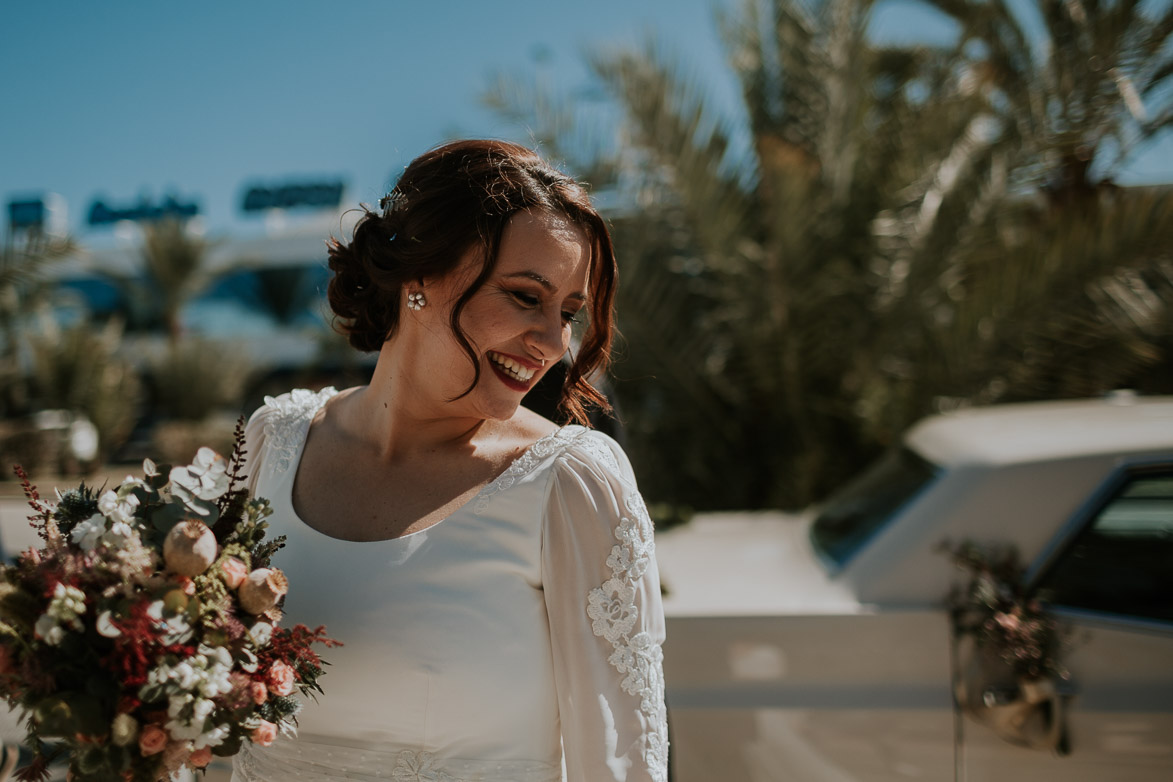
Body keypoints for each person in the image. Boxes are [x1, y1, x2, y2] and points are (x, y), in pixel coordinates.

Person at [232, 140, 668, 782]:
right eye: (526, 297)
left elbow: (620, 761)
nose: (553, 344)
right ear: (420, 277)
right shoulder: (273, 442)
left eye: (569, 313)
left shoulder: (569, 484)